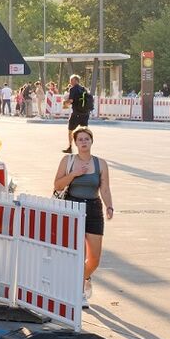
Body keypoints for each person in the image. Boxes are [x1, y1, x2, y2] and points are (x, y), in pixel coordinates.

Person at [53, 126, 114, 303]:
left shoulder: (100, 163)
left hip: (93, 208)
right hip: (73, 207)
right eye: (80, 139)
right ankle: (78, 292)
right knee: (79, 254)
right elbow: (57, 185)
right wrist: (74, 174)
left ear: (92, 141)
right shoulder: (68, 160)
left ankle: (85, 277)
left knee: (94, 259)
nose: (83, 142)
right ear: (75, 143)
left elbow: (105, 188)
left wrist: (109, 206)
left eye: (86, 139)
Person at [63, 75, 93, 153]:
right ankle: (86, 147)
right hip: (85, 114)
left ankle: (70, 147)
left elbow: (71, 100)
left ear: (76, 80)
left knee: (70, 130)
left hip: (76, 114)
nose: (70, 82)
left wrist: (65, 104)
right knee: (85, 132)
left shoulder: (73, 89)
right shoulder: (84, 89)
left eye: (71, 80)